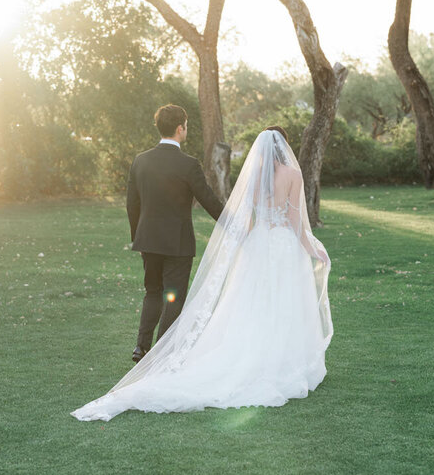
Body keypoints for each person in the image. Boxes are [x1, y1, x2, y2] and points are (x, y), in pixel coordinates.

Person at [73, 126, 333, 422]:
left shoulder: (255, 178)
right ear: (284, 148)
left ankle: (162, 347)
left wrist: (242, 246)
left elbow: (246, 218)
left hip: (259, 242)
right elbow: (295, 219)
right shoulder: (292, 174)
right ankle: (282, 361)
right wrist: (313, 248)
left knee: (249, 303)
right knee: (283, 302)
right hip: (283, 244)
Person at [125, 104, 225, 363]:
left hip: (148, 240)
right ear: (180, 128)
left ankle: (141, 347)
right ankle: (161, 353)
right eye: (187, 126)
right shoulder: (188, 164)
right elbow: (209, 200)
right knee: (174, 297)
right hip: (177, 243)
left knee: (153, 291)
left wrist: (138, 236)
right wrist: (234, 223)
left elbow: (132, 205)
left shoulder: (141, 160)